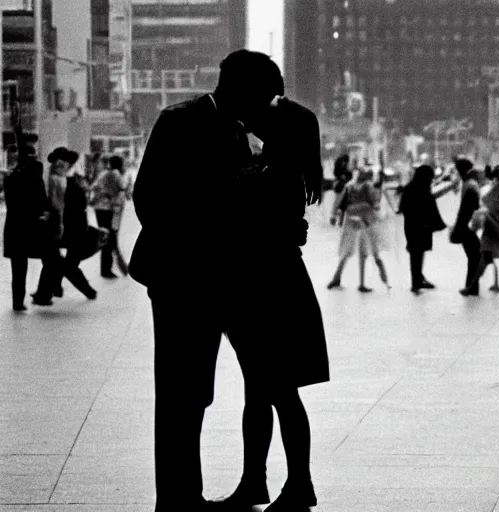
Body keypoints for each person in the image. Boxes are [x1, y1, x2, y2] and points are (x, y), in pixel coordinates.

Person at [130, 49, 327, 511]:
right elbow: (150, 198)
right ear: (244, 89)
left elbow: (258, 208)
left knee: (231, 388)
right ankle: (178, 497)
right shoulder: (180, 121)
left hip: (238, 283)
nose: (269, 106)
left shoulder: (241, 131)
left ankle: (207, 491)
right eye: (267, 96)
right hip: (184, 281)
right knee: (182, 391)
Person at [213, 86, 329, 512]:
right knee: (264, 392)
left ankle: (296, 483)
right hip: (276, 286)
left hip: (268, 290)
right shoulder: (283, 173)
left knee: (276, 391)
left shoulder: (272, 176)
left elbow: (239, 215)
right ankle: (259, 481)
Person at [32, 147, 97, 305]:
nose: (58, 166)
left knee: (60, 263)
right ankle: (50, 290)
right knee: (57, 262)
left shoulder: (66, 182)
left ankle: (49, 292)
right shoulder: (71, 181)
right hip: (72, 227)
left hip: (67, 227)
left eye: (61, 163)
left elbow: (60, 205)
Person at [327, 167, 390, 292]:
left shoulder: (350, 186)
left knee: (348, 248)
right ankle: (360, 282)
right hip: (365, 219)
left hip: (351, 218)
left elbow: (339, 200)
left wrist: (333, 215)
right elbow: (374, 203)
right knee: (363, 250)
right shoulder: (366, 186)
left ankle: (337, 277)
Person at [2, 148, 48, 312]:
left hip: (14, 227)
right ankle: (44, 292)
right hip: (31, 227)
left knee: (18, 268)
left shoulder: (11, 178)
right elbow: (41, 202)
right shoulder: (34, 179)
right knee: (48, 258)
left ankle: (17, 301)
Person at [397, 164, 452, 293]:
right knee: (418, 253)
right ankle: (416, 281)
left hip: (411, 226)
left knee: (416, 252)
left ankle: (418, 278)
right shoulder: (423, 190)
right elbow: (431, 206)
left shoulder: (410, 188)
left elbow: (402, 207)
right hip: (421, 227)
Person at [92, 155, 130, 278]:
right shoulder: (116, 174)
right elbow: (124, 188)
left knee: (105, 238)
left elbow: (94, 187)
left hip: (99, 209)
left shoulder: (103, 174)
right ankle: (108, 269)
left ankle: (107, 268)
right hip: (108, 210)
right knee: (110, 239)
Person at [450, 159, 482, 295]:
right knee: (475, 256)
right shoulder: (470, 184)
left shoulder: (468, 184)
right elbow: (473, 207)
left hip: (465, 226)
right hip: (466, 227)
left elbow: (467, 210)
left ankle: (471, 287)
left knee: (474, 256)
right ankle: (471, 287)